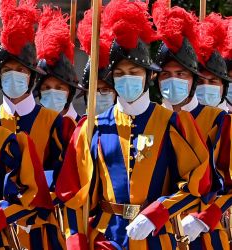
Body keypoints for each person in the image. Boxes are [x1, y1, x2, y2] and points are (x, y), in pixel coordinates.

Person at [55, 1, 212, 249]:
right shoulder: (91, 127)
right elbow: (73, 195)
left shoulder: (175, 122)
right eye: (119, 73)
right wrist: (77, 242)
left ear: (149, 76)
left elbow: (197, 184)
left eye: (134, 72)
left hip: (158, 236)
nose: (126, 78)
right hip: (106, 239)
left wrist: (157, 213)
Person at [0, 1, 65, 249]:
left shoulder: (54, 122)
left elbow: (62, 178)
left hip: (39, 231)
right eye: (7, 70)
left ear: (31, 75)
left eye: (20, 69)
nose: (13, 75)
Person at [155, 10, 232, 249]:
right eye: (166, 75)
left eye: (181, 74)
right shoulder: (153, 117)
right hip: (156, 231)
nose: (173, 81)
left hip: (204, 232)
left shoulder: (219, 120)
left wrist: (205, 218)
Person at [34, 5, 84, 123]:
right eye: (46, 88)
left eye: (59, 88)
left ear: (70, 91)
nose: (52, 92)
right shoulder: (31, 126)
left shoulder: (82, 128)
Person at [77, 8, 116, 115]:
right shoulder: (81, 128)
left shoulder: (127, 125)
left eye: (105, 90)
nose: (98, 94)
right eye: (94, 90)